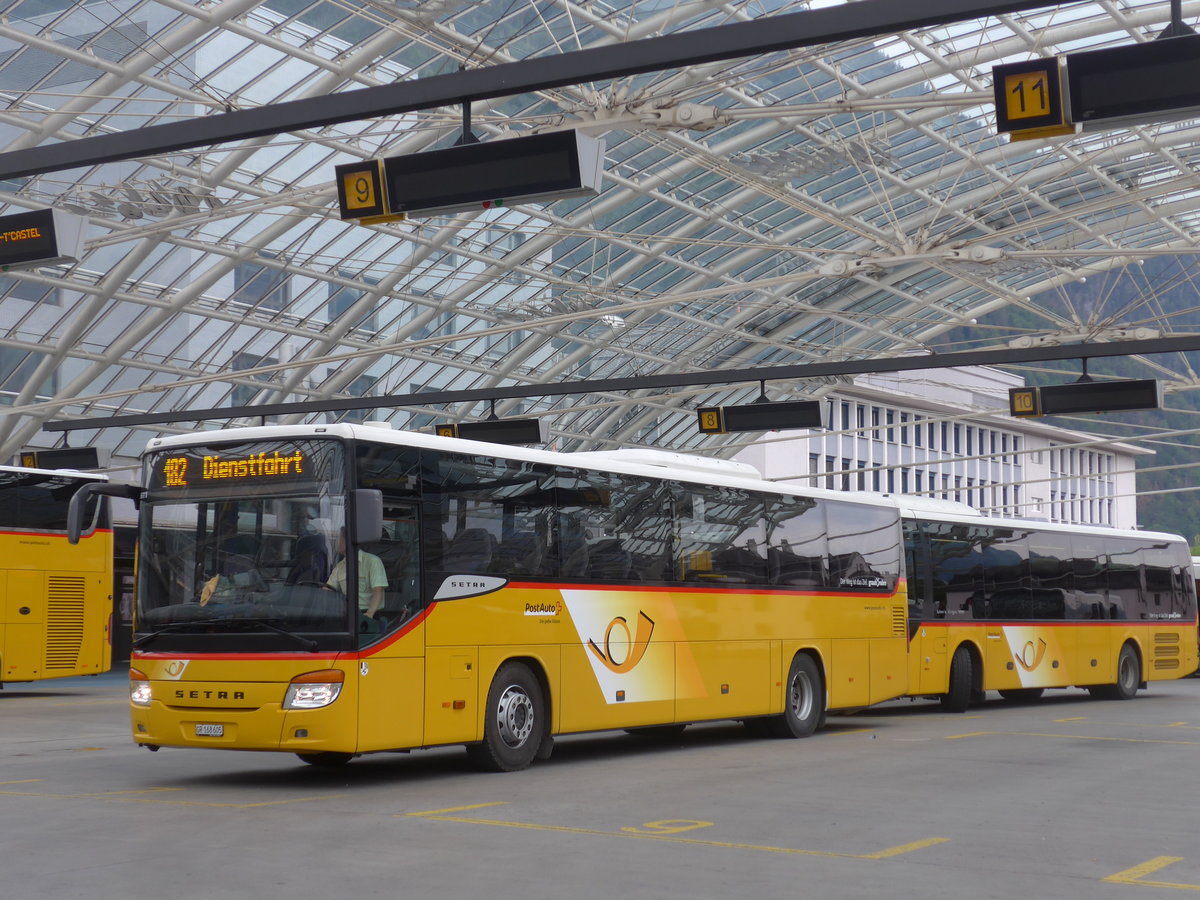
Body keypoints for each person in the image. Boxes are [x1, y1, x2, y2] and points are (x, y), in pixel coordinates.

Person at [326, 527, 387, 619]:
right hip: (347, 614)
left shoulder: (372, 561)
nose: (336, 541)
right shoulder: (340, 566)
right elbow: (328, 589)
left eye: (339, 537)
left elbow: (378, 591)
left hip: (369, 615)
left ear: (348, 539)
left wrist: (369, 614)